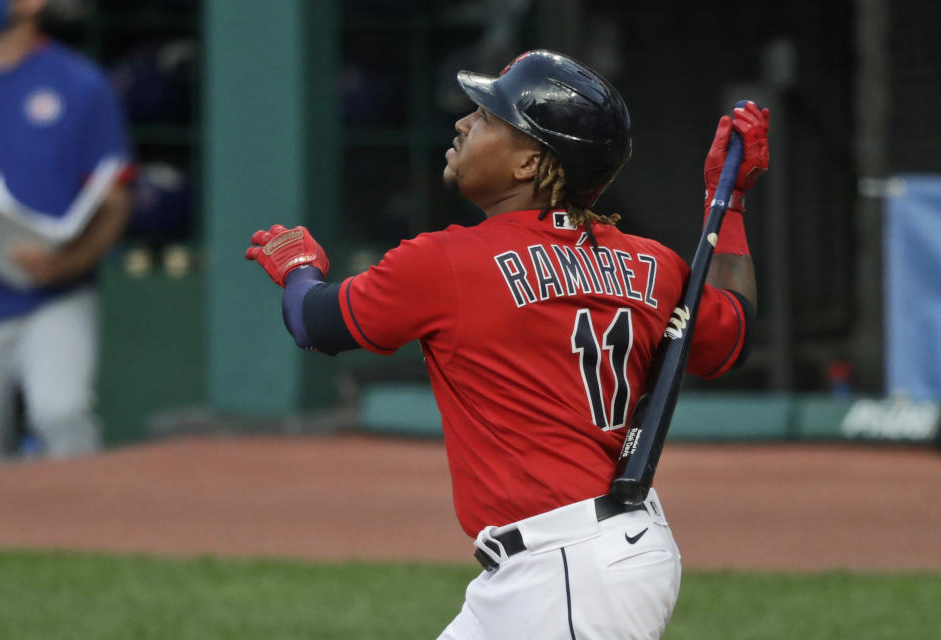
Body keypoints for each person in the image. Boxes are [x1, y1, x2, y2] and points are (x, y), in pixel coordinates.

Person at [246, 50, 768, 639]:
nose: (464, 124)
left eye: (489, 117)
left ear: (529, 163)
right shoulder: (655, 264)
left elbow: (315, 323)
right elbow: (735, 334)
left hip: (569, 569)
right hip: (570, 566)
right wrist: (731, 204)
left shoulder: (447, 263)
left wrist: (298, 266)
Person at [0, 0, 132, 462]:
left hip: (54, 293)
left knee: (60, 413)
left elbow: (114, 198)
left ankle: (91, 528)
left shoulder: (79, 84)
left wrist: (68, 262)